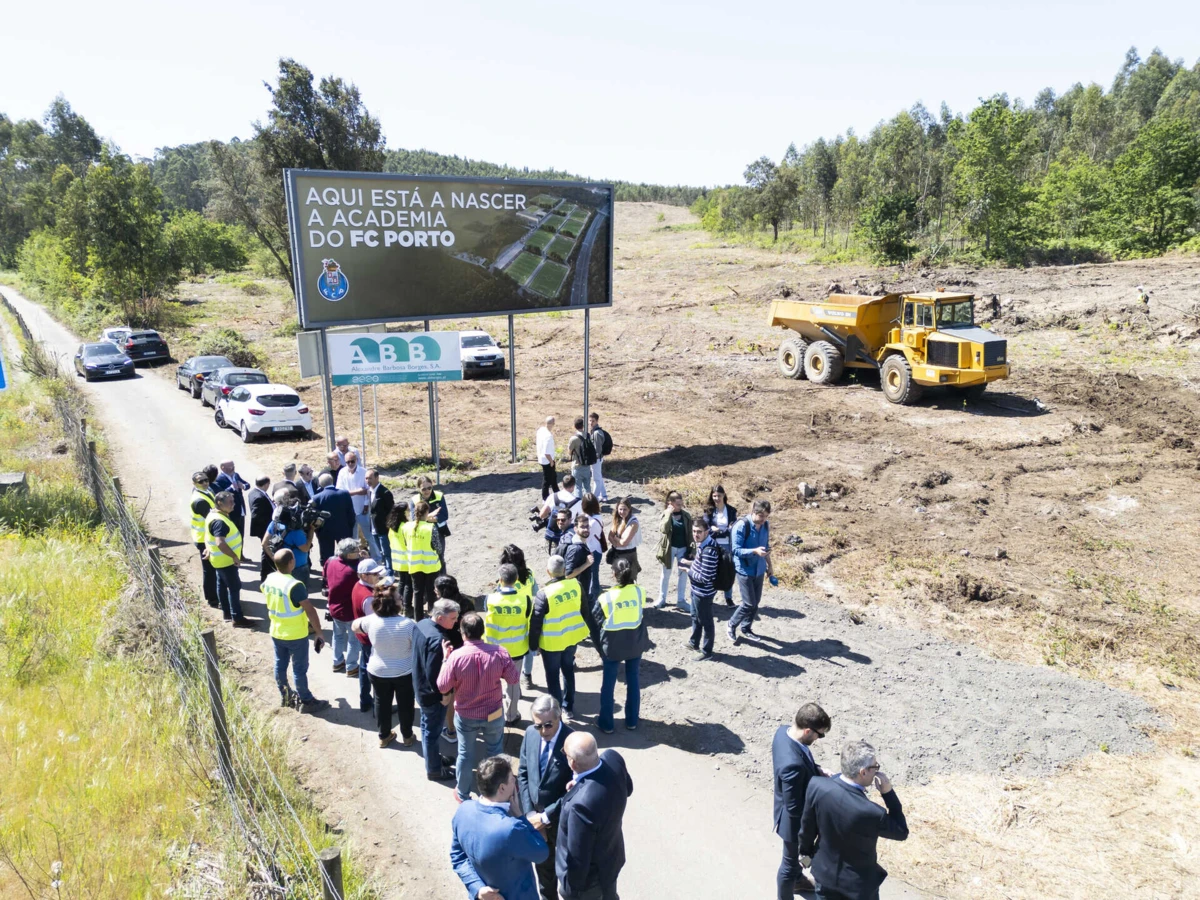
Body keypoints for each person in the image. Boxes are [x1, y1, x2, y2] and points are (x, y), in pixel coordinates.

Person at [800, 740, 909, 900]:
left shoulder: (817, 786)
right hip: (857, 888)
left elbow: (807, 830)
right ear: (863, 772)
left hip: (823, 875)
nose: (877, 770)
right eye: (875, 767)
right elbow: (901, 832)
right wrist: (888, 793)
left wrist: (805, 858)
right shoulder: (871, 812)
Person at [437, 612, 520, 803]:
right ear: (482, 631)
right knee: (495, 752)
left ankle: (463, 793)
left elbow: (442, 686)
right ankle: (494, 793)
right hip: (494, 713)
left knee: (465, 754)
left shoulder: (456, 657)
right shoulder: (499, 652)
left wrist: (445, 659)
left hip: (466, 715)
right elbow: (514, 679)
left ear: (463, 633)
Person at [451, 755, 549, 900]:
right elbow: (541, 853)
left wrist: (477, 888)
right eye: (511, 779)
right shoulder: (511, 828)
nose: (515, 780)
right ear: (502, 788)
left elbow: (457, 856)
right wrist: (520, 816)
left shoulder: (463, 810)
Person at [556, 733, 632, 900]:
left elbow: (578, 857)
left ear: (572, 762)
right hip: (612, 857)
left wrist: (570, 891)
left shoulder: (580, 806)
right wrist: (582, 786)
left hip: (590, 882)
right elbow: (629, 788)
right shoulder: (614, 758)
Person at [518, 695, 574, 900]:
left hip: (561, 823)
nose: (543, 731)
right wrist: (531, 814)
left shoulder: (571, 741)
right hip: (534, 822)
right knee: (544, 873)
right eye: (538, 725)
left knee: (568, 874)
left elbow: (574, 792)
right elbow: (523, 773)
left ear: (559, 718)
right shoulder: (530, 735)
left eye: (548, 725)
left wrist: (546, 817)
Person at [774, 703, 832, 898]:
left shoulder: (784, 732)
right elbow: (794, 807)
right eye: (819, 735)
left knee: (799, 859)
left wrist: (816, 770)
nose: (819, 738)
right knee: (789, 865)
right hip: (793, 825)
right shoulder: (792, 766)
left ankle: (799, 880)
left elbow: (803, 761)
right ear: (808, 730)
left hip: (790, 814)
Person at [262, 548, 329, 712]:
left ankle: (285, 695)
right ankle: (306, 701)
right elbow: (310, 610)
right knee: (299, 669)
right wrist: (319, 632)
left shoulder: (270, 578)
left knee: (280, 664)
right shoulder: (294, 585)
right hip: (295, 634)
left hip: (277, 631)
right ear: (291, 562)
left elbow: (264, 590)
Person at [353, 578, 416, 748]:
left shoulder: (371, 621)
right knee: (406, 704)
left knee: (381, 702)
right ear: (394, 604)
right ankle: (408, 736)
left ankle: (384, 736)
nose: (402, 600)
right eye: (399, 598)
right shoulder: (408, 624)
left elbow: (355, 626)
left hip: (378, 671)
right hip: (404, 671)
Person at [592, 558, 649, 734]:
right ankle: (632, 720)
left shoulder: (606, 597)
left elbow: (596, 618)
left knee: (608, 683)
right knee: (633, 680)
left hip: (613, 645)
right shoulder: (640, 592)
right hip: (634, 643)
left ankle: (607, 723)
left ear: (614, 574)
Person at [529, 555, 588, 723]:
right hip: (571, 639)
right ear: (564, 571)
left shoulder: (544, 594)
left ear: (548, 572)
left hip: (552, 644)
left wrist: (533, 645)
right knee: (568, 671)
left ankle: (556, 713)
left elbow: (536, 622)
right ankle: (568, 707)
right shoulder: (576, 585)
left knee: (553, 677)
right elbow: (584, 610)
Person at [412, 598, 461, 782]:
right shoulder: (439, 641)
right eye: (453, 618)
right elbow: (436, 676)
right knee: (431, 732)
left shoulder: (423, 624)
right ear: (440, 617)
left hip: (420, 686)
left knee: (427, 728)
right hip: (432, 696)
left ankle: (433, 759)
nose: (455, 622)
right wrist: (445, 695)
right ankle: (434, 770)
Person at [483, 564, 532, 726]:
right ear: (517, 579)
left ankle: (493, 715)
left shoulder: (490, 599)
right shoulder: (525, 600)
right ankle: (511, 715)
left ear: (500, 580)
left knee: (493, 683)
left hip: (493, 650)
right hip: (517, 650)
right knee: (513, 683)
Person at [728, 498, 774, 644]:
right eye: (761, 516)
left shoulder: (765, 525)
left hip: (759, 569)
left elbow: (765, 547)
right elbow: (735, 550)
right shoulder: (741, 526)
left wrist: (770, 566)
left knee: (756, 602)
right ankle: (731, 624)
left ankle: (746, 628)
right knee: (748, 603)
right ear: (754, 512)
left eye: (766, 516)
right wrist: (754, 551)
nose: (764, 519)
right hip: (745, 570)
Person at [204, 491, 252, 628]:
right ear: (220, 503)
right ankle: (237, 617)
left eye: (234, 501)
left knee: (221, 585)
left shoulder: (213, 514)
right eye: (230, 502)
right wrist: (234, 557)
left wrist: (208, 548)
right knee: (234, 587)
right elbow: (220, 542)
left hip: (218, 560)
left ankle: (226, 613)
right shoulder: (219, 521)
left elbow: (208, 535)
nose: (234, 504)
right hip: (226, 561)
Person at [679, 517, 721, 661]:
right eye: (694, 531)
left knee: (706, 621)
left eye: (699, 532)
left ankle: (707, 651)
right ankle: (694, 643)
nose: (696, 534)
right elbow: (700, 565)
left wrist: (688, 571)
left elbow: (705, 577)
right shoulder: (703, 544)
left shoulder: (709, 550)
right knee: (695, 617)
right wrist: (690, 563)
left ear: (707, 532)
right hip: (696, 590)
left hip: (704, 593)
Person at [501, 544, 539, 690]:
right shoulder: (529, 573)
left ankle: (513, 683)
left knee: (513, 650)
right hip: (527, 616)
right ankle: (527, 676)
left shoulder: (505, 576)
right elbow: (536, 591)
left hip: (511, 617)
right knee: (528, 649)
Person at [351, 558, 385, 713]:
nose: (378, 575)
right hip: (370, 639)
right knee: (374, 672)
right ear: (364, 576)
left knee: (364, 668)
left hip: (363, 636)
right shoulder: (369, 598)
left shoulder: (358, 586)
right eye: (374, 573)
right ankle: (375, 704)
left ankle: (365, 700)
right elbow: (376, 622)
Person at [324, 539, 362, 676]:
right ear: (348, 554)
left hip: (334, 608)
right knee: (353, 640)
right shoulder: (354, 570)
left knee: (338, 636)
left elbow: (325, 578)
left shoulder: (330, 561)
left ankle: (337, 661)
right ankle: (351, 667)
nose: (359, 552)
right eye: (356, 551)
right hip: (350, 612)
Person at [654, 490, 694, 612]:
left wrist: (692, 549)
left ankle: (681, 600)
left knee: (683, 574)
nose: (680, 506)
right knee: (666, 573)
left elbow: (690, 534)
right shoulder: (665, 515)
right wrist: (668, 513)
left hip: (683, 549)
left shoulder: (686, 516)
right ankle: (662, 598)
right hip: (669, 549)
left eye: (681, 504)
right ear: (670, 503)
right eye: (677, 504)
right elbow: (664, 529)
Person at [403, 500, 443, 620]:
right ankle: (433, 616)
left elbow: (406, 543)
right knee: (431, 591)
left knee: (417, 592)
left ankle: (418, 618)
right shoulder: (430, 528)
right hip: (430, 566)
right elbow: (439, 548)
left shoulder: (406, 527)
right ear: (427, 512)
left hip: (414, 565)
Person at [701, 485, 738, 606]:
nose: (717, 498)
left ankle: (728, 597)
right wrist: (716, 530)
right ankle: (710, 596)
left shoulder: (731, 510)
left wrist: (720, 531)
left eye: (719, 496)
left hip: (728, 544)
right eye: (714, 496)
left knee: (728, 569)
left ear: (724, 495)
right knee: (712, 570)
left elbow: (733, 527)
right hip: (713, 544)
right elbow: (706, 527)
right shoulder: (709, 511)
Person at [188, 471, 219, 609]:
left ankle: (213, 595)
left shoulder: (205, 491)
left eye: (206, 480)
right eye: (201, 481)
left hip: (204, 537)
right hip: (203, 539)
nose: (205, 483)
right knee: (209, 570)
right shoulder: (199, 500)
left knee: (211, 569)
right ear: (194, 483)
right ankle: (212, 599)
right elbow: (210, 518)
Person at [336, 450, 375, 560]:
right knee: (353, 538)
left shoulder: (363, 472)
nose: (350, 464)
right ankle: (355, 558)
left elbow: (368, 491)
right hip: (349, 511)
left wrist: (366, 505)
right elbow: (340, 492)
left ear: (356, 460)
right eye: (348, 462)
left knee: (369, 536)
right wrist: (357, 491)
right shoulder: (342, 472)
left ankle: (377, 558)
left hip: (362, 510)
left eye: (352, 461)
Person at [311, 473, 356, 568]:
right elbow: (351, 514)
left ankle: (327, 577)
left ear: (320, 484)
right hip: (344, 530)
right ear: (332, 481)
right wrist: (349, 528)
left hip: (325, 532)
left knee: (327, 556)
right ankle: (348, 572)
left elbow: (315, 518)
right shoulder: (344, 494)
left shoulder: (317, 498)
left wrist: (318, 531)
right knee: (346, 554)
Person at [278, 495, 315, 587]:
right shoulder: (296, 532)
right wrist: (311, 530)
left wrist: (275, 559)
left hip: (282, 564)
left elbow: (265, 543)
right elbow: (305, 548)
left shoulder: (275, 523)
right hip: (298, 567)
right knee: (299, 594)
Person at [412, 475, 450, 566]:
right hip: (423, 534)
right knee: (426, 559)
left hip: (439, 531)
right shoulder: (414, 500)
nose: (427, 491)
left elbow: (444, 515)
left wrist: (427, 518)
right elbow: (414, 519)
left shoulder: (439, 496)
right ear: (419, 489)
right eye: (424, 489)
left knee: (440, 557)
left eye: (429, 488)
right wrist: (431, 516)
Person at [365, 468, 395, 574]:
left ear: (377, 478)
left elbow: (392, 511)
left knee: (387, 551)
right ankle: (386, 568)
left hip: (383, 529)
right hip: (374, 528)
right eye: (366, 478)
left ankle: (390, 570)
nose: (368, 481)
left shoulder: (385, 492)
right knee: (380, 551)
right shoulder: (370, 491)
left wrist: (388, 525)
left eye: (370, 478)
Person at [579, 493, 607, 607]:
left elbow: (584, 537)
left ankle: (595, 602)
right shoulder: (597, 517)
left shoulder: (592, 521)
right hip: (596, 549)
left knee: (592, 578)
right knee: (591, 576)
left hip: (593, 551)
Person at [606, 497, 641, 581]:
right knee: (618, 579)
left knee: (629, 580)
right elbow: (610, 536)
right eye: (620, 509)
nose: (622, 512)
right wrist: (618, 541)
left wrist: (616, 540)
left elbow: (624, 543)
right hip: (617, 554)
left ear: (629, 509)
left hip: (628, 556)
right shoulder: (618, 519)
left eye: (625, 509)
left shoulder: (633, 523)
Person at [386, 504, 413, 614]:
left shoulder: (392, 527)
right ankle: (406, 607)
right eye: (407, 510)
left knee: (402, 583)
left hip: (397, 560)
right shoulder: (405, 527)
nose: (409, 512)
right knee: (408, 585)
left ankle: (398, 605)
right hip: (406, 561)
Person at [213, 459, 250, 536]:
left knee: (241, 535)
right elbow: (219, 495)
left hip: (241, 510)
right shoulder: (219, 480)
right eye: (230, 466)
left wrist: (243, 486)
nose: (233, 468)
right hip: (231, 512)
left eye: (233, 466)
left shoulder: (236, 475)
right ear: (222, 467)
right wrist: (231, 488)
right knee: (234, 534)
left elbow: (247, 485)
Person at [566, 417, 595, 499]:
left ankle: (579, 504)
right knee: (587, 487)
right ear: (583, 425)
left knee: (577, 487)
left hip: (577, 465)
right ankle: (589, 503)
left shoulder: (574, 439)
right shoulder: (588, 436)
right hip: (587, 465)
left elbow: (569, 452)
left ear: (575, 426)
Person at [246, 475, 275, 547]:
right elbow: (256, 515)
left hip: (265, 527)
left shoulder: (254, 492)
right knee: (268, 548)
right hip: (265, 528)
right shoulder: (259, 497)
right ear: (265, 485)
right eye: (268, 484)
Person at [588, 412, 610, 502]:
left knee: (596, 479)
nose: (591, 423)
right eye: (590, 421)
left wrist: (594, 459)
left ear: (597, 421)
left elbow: (597, 449)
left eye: (593, 421)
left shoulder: (596, 433)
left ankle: (594, 499)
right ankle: (603, 495)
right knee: (598, 477)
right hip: (597, 458)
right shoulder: (594, 431)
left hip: (596, 459)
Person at [536, 416, 558, 500]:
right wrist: (551, 461)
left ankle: (556, 492)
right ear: (552, 424)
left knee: (553, 477)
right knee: (547, 480)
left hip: (541, 458)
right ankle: (545, 498)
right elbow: (546, 452)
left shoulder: (541, 430)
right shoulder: (548, 436)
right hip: (547, 460)